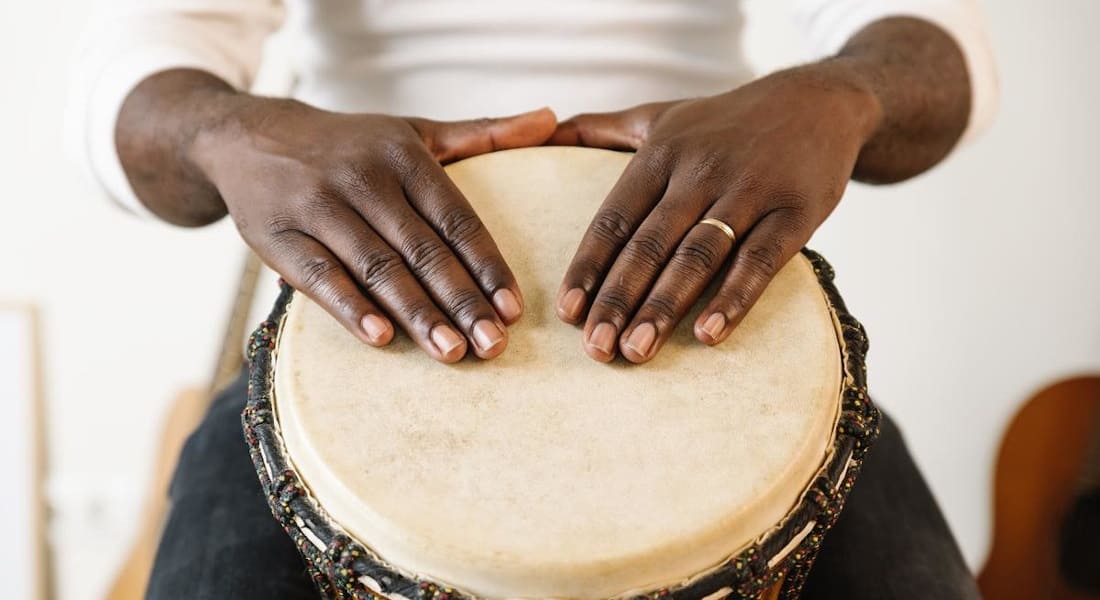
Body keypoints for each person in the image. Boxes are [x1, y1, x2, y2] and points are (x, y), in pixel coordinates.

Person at [69, 1, 997, 598]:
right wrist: (227, 133)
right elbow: (134, 75)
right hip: (368, 322)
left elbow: (935, 43)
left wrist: (840, 94)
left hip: (710, 308)